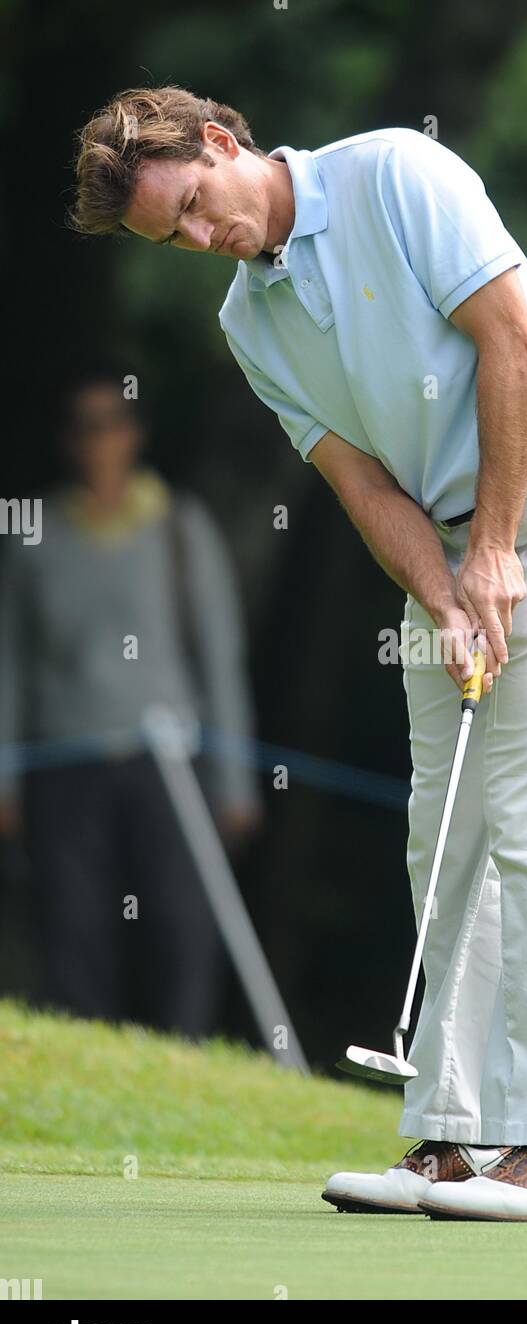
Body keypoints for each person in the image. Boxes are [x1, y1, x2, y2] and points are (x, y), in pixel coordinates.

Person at [72, 86, 527, 1223]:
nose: (203, 240)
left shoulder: (396, 173)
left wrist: (492, 548)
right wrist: (446, 591)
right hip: (441, 540)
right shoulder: (248, 321)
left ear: (223, 144)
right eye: (171, 238)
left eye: (194, 206)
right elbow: (359, 483)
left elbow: (517, 342)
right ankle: (450, 1137)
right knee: (442, 831)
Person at [0, 370, 261, 1035]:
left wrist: (235, 781)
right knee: (73, 924)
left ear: (134, 433)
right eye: (84, 424)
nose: (98, 439)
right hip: (63, 762)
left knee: (180, 921)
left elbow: (219, 660)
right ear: (66, 438)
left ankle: (184, 1053)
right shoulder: (33, 536)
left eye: (111, 421)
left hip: (171, 762)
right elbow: (10, 664)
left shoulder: (180, 527)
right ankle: (82, 1055)